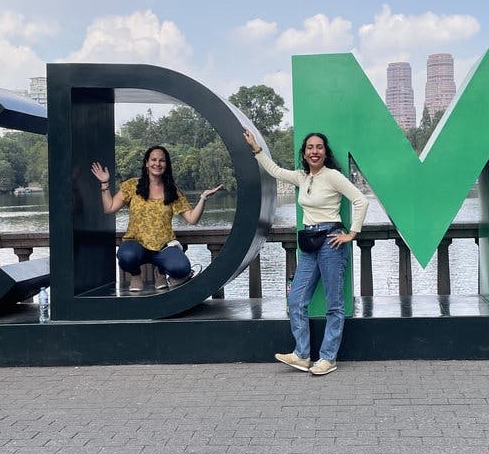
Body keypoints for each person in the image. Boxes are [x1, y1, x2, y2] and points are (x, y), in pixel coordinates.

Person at [243, 129, 369, 376]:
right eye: (310, 147)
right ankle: (302, 354)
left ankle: (328, 358)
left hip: (332, 241)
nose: (314, 151)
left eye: (319, 147)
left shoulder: (333, 176)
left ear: (325, 152)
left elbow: (360, 201)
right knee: (296, 299)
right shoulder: (302, 177)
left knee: (334, 304)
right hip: (310, 243)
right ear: (304, 152)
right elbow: (276, 171)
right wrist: (256, 149)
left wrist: (351, 233)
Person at [91, 146, 223, 290]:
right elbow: (109, 208)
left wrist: (203, 197)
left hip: (163, 247)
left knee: (181, 269)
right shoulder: (132, 186)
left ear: (166, 165)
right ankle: (136, 276)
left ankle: (161, 272)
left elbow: (192, 219)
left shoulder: (173, 190)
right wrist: (104, 183)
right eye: (153, 159)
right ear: (146, 163)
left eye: (162, 161)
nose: (157, 164)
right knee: (126, 256)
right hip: (136, 244)